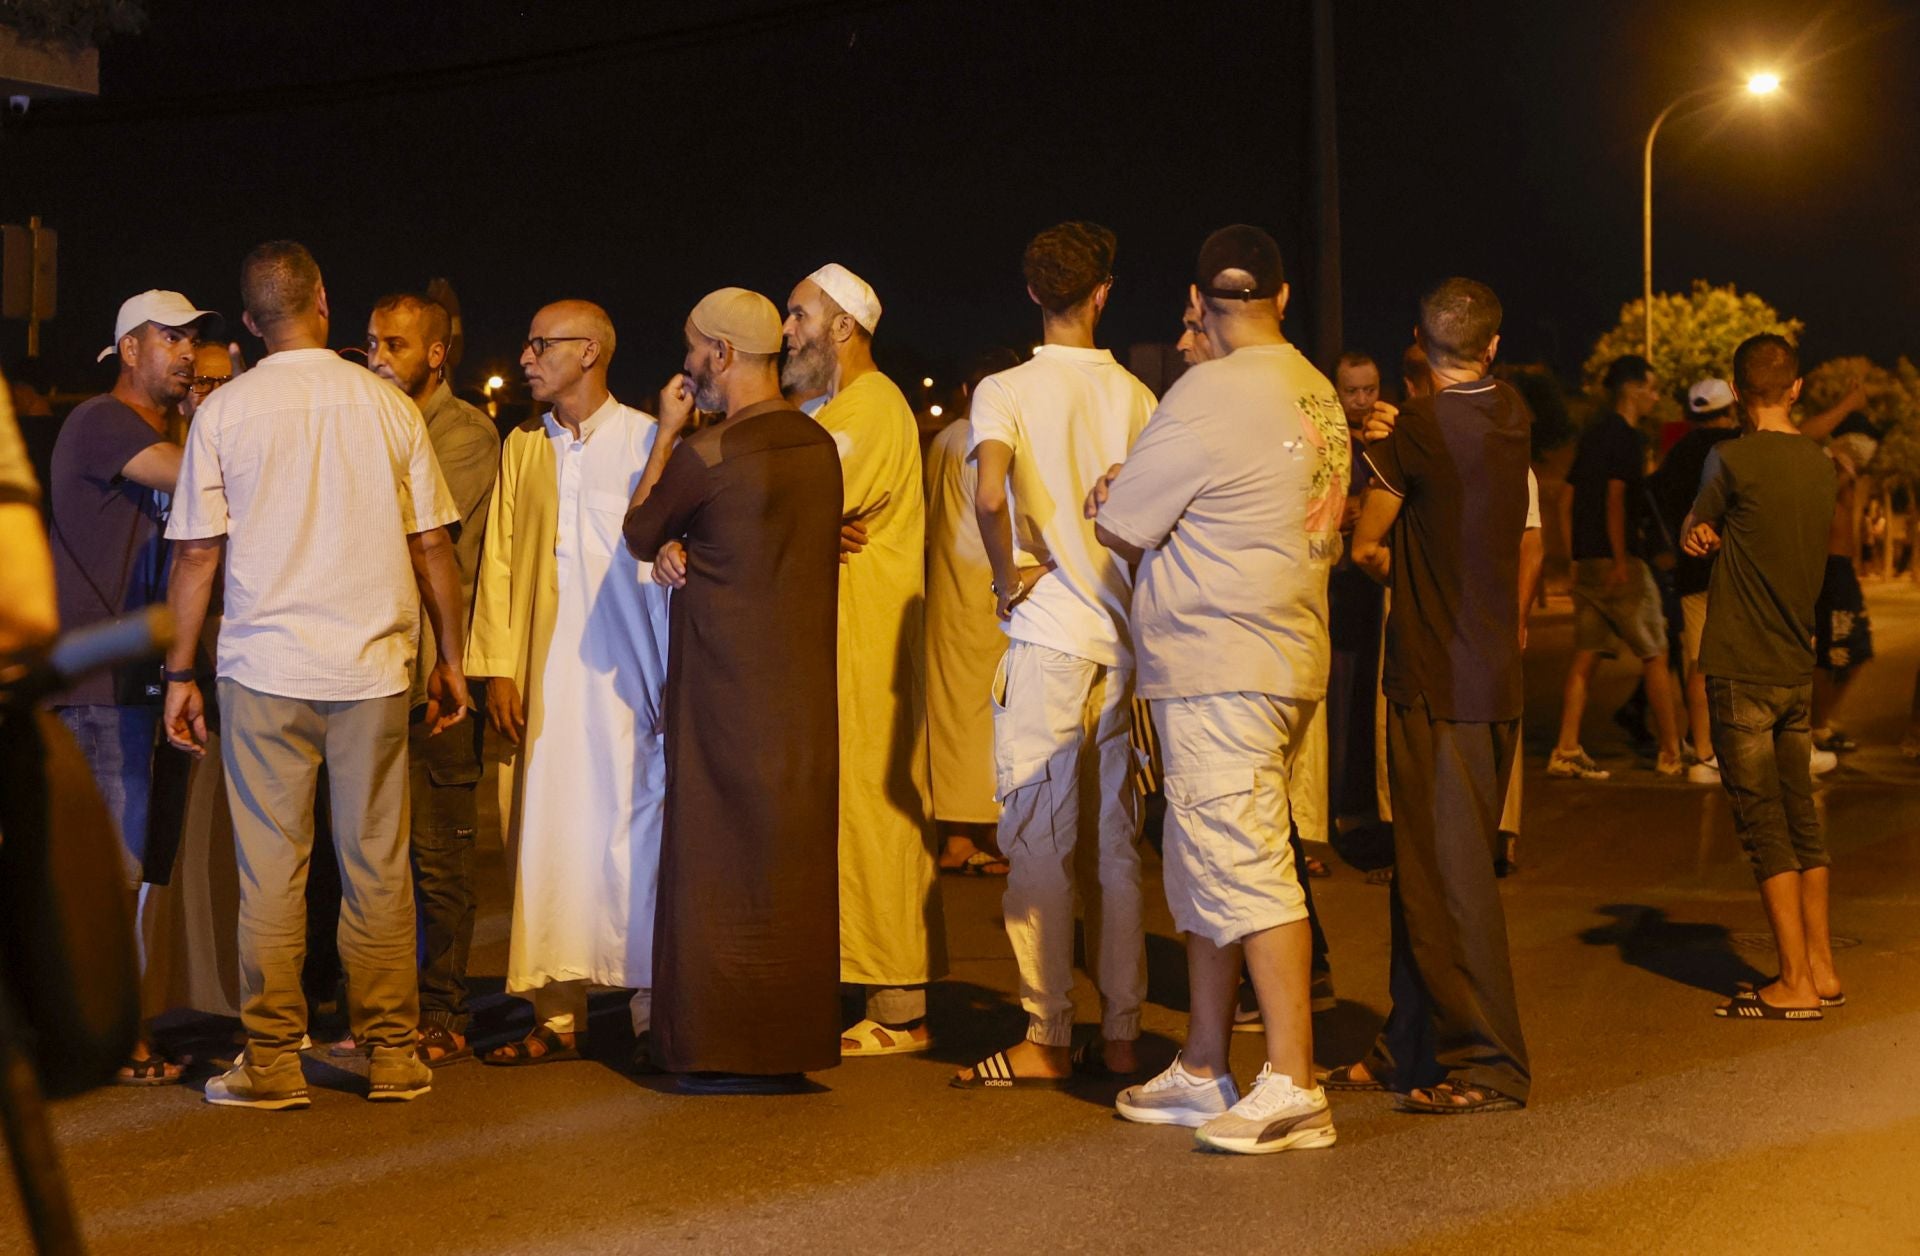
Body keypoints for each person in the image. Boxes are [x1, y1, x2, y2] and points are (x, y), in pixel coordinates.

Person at [161, 240, 469, 1110]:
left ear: (252, 324)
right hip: (373, 665)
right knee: (376, 864)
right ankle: (394, 1055)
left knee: (272, 869)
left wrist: (180, 671)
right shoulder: (386, 407)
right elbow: (433, 545)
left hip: (264, 667)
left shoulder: (225, 413)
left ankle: (271, 1060)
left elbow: (194, 557)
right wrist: (453, 659)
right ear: (324, 301)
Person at [1094, 224, 1347, 1152]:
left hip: (1219, 665)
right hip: (1281, 652)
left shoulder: (1205, 391)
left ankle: (1294, 1082)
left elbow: (1122, 523)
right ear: (1281, 299)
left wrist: (1112, 493)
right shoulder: (1317, 391)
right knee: (1209, 863)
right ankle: (1205, 1064)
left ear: (1199, 304)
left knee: (1245, 863)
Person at [622, 287, 842, 1093]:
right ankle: (787, 1043)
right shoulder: (819, 449)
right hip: (801, 699)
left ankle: (708, 1044)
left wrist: (668, 435)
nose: (687, 367)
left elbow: (640, 529)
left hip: (721, 690)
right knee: (790, 864)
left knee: (711, 860)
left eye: (692, 351)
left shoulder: (709, 455)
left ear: (719, 354)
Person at [952, 221, 1154, 1088]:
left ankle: (1045, 1034)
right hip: (1120, 641)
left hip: (1044, 641)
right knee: (1115, 849)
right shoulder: (1142, 398)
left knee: (1038, 840)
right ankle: (1121, 1034)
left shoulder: (1004, 389)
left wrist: (1006, 578)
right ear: (1102, 292)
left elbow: (989, 490)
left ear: (1032, 293)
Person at [1331, 277, 1533, 1115]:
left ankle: (1490, 1064)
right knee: (1426, 868)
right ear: (1493, 346)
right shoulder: (1514, 412)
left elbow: (1368, 544)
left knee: (1450, 880)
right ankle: (1407, 1042)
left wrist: (1394, 564)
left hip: (1435, 678)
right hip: (1494, 675)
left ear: (1418, 341)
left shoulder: (1412, 432)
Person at [464, 300, 666, 1068]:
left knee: (635, 830)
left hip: (630, 681)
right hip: (547, 679)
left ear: (589, 353)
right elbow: (504, 561)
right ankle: (556, 1014)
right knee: (547, 835)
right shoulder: (525, 447)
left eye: (541, 344)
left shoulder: (649, 438)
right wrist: (500, 671)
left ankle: (651, 1010)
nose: (526, 357)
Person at [48, 288, 222, 1085]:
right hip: (94, 682)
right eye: (171, 339)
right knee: (111, 870)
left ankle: (110, 1026)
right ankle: (109, 1036)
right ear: (128, 350)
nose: (188, 353)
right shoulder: (101, 422)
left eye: (194, 340)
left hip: (135, 680)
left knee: (136, 866)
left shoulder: (159, 430)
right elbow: (197, 482)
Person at [781, 263, 943, 1058]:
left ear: (842, 326)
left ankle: (900, 1008)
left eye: (798, 315)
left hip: (869, 648)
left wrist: (806, 516)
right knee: (847, 818)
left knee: (876, 819)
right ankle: (871, 990)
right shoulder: (836, 407)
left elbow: (802, 496)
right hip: (841, 647)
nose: (788, 331)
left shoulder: (872, 407)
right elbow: (797, 501)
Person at [1682, 334, 1842, 1020]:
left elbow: (1698, 524)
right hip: (1792, 664)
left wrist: (1700, 532)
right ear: (1797, 388)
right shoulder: (1821, 462)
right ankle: (1824, 968)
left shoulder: (1730, 457)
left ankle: (1794, 980)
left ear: (1738, 393)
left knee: (1761, 825)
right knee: (1800, 811)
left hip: (1742, 663)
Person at [366, 293, 501, 1064]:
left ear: (436, 354)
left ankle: (445, 1008)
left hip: (438, 676)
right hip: (376, 669)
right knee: (372, 853)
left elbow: (417, 529)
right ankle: (377, 1000)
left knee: (441, 855)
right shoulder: (378, 422)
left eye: (395, 344)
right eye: (371, 342)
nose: (379, 356)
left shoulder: (464, 433)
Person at [1551, 354, 1682, 779]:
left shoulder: (1591, 436)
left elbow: (1566, 501)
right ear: (1631, 389)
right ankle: (1671, 752)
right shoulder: (1627, 438)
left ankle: (1566, 748)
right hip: (1618, 562)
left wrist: (1575, 560)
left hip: (1587, 561)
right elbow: (1614, 498)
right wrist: (1621, 559)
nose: (1654, 396)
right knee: (1656, 654)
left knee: (1585, 658)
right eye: (1652, 387)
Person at [924, 347, 1021, 877]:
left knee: (950, 716)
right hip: (988, 595)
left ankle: (956, 836)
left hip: (943, 595)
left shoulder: (941, 441)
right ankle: (993, 834)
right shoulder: (993, 443)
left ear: (963, 392)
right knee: (991, 717)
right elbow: (999, 510)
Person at [1649, 379, 1744, 781]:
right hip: (1736, 569)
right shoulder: (1740, 446)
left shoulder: (1677, 454)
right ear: (1731, 410)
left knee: (1699, 664)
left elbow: (1652, 497)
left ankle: (1702, 751)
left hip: (1690, 571)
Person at [0, 364, 58, 657]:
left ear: (23, 390)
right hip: (48, 543)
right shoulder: (64, 430)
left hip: (17, 549)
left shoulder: (20, 436)